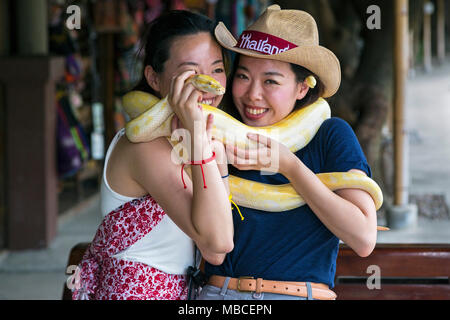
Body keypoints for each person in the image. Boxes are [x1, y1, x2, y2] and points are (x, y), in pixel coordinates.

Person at [197, 5, 378, 300]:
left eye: (270, 81)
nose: (253, 94)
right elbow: (209, 245)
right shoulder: (217, 131)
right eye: (243, 76)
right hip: (221, 294)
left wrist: (290, 167)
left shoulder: (329, 135)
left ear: (302, 88)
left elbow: (363, 238)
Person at [72, 10, 234, 300]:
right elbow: (217, 243)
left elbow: (215, 248)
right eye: (190, 72)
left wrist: (211, 147)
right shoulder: (143, 145)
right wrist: (199, 138)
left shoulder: (193, 138)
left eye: (217, 69)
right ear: (154, 79)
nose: (208, 84)